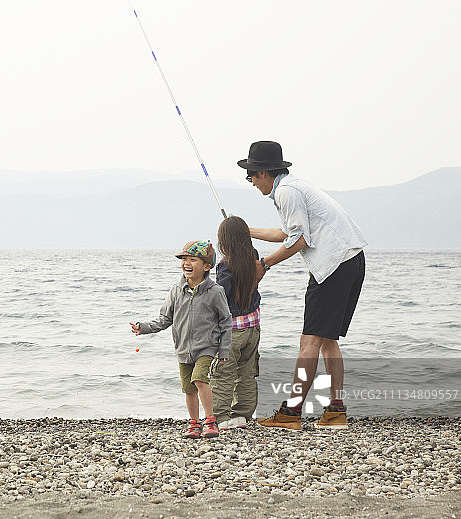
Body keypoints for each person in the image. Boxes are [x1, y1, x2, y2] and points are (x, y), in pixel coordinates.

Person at [239, 141, 367, 431]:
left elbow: (299, 241)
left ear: (263, 172)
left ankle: (292, 412)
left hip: (334, 264)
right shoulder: (291, 187)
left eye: (251, 176)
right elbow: (287, 232)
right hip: (350, 259)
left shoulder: (286, 192)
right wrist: (245, 230)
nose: (251, 182)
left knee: (309, 340)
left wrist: (264, 265)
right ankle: (335, 411)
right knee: (326, 340)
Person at [130, 241, 232, 438]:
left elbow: (226, 322)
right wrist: (143, 328)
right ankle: (194, 424)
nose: (186, 263)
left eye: (192, 260)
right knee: (188, 389)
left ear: (207, 267)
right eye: (184, 259)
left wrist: (224, 350)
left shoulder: (215, 291)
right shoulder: (176, 290)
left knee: (200, 380)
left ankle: (210, 421)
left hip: (207, 347)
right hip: (183, 348)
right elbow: (165, 319)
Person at [212, 216, 262, 430]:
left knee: (223, 374)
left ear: (224, 241)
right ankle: (243, 414)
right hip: (253, 326)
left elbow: (221, 297)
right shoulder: (254, 255)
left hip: (232, 331)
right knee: (247, 372)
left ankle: (220, 417)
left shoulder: (225, 265)